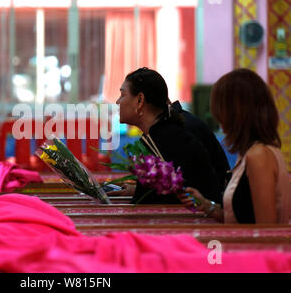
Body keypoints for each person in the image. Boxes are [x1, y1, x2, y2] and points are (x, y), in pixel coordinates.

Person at [179, 69, 290, 224]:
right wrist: (206, 205)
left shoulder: (258, 156)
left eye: (221, 112)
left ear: (236, 114)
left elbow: (266, 231)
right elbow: (242, 217)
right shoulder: (254, 152)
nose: (219, 121)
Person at [111, 67, 223, 204]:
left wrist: (142, 193)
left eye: (123, 95)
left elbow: (185, 195)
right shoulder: (164, 132)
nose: (118, 101)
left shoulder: (166, 137)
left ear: (140, 100)